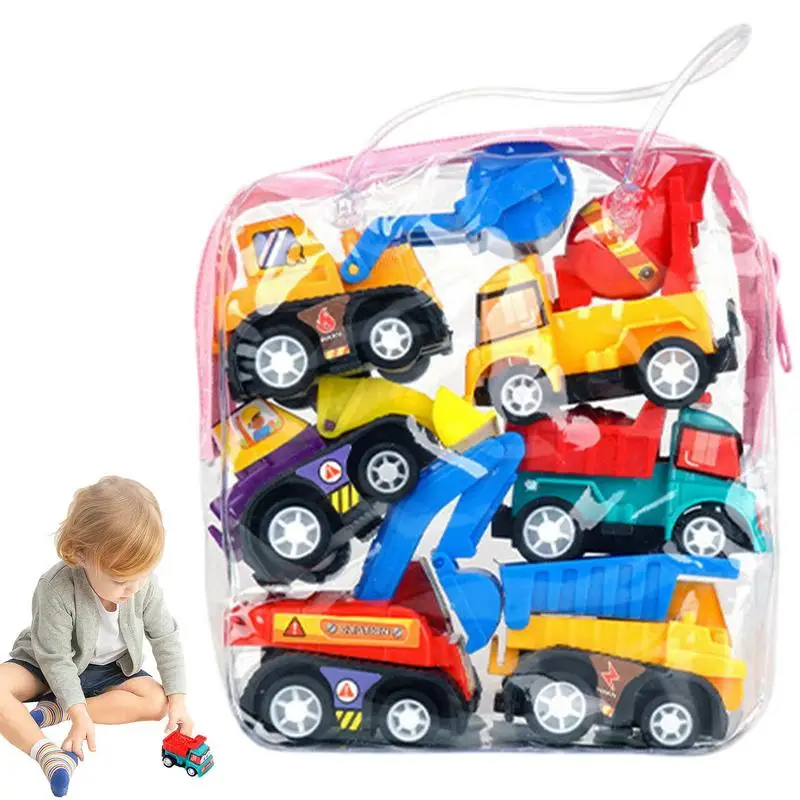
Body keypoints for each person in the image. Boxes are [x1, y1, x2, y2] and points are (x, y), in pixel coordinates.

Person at [0, 477, 191, 797]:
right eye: (120, 580)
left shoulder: (142, 586)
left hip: (108, 670)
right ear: (81, 555)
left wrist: (179, 700)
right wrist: (78, 712)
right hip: (48, 663)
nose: (133, 589)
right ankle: (47, 754)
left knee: (158, 701)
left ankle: (58, 710)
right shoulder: (56, 588)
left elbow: (165, 637)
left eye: (142, 576)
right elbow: (55, 659)